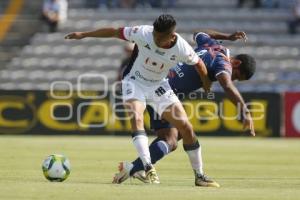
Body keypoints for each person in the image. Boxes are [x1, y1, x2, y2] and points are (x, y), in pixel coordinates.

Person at [65, 14, 216, 187]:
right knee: (137, 118)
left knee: (186, 127)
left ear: (172, 36)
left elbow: (199, 65)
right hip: (134, 81)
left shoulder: (182, 47)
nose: (156, 39)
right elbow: (114, 32)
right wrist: (84, 34)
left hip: (159, 86)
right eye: (155, 35)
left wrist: (206, 84)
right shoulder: (143, 32)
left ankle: (200, 176)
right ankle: (147, 166)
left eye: (160, 37)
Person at [112, 29, 256, 185]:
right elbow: (227, 85)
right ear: (236, 63)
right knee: (172, 139)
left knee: (177, 135)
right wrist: (245, 112)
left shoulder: (213, 45)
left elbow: (198, 32)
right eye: (236, 76)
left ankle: (137, 167)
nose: (232, 78)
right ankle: (134, 168)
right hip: (164, 91)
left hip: (163, 82)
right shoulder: (223, 63)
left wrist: (227, 36)